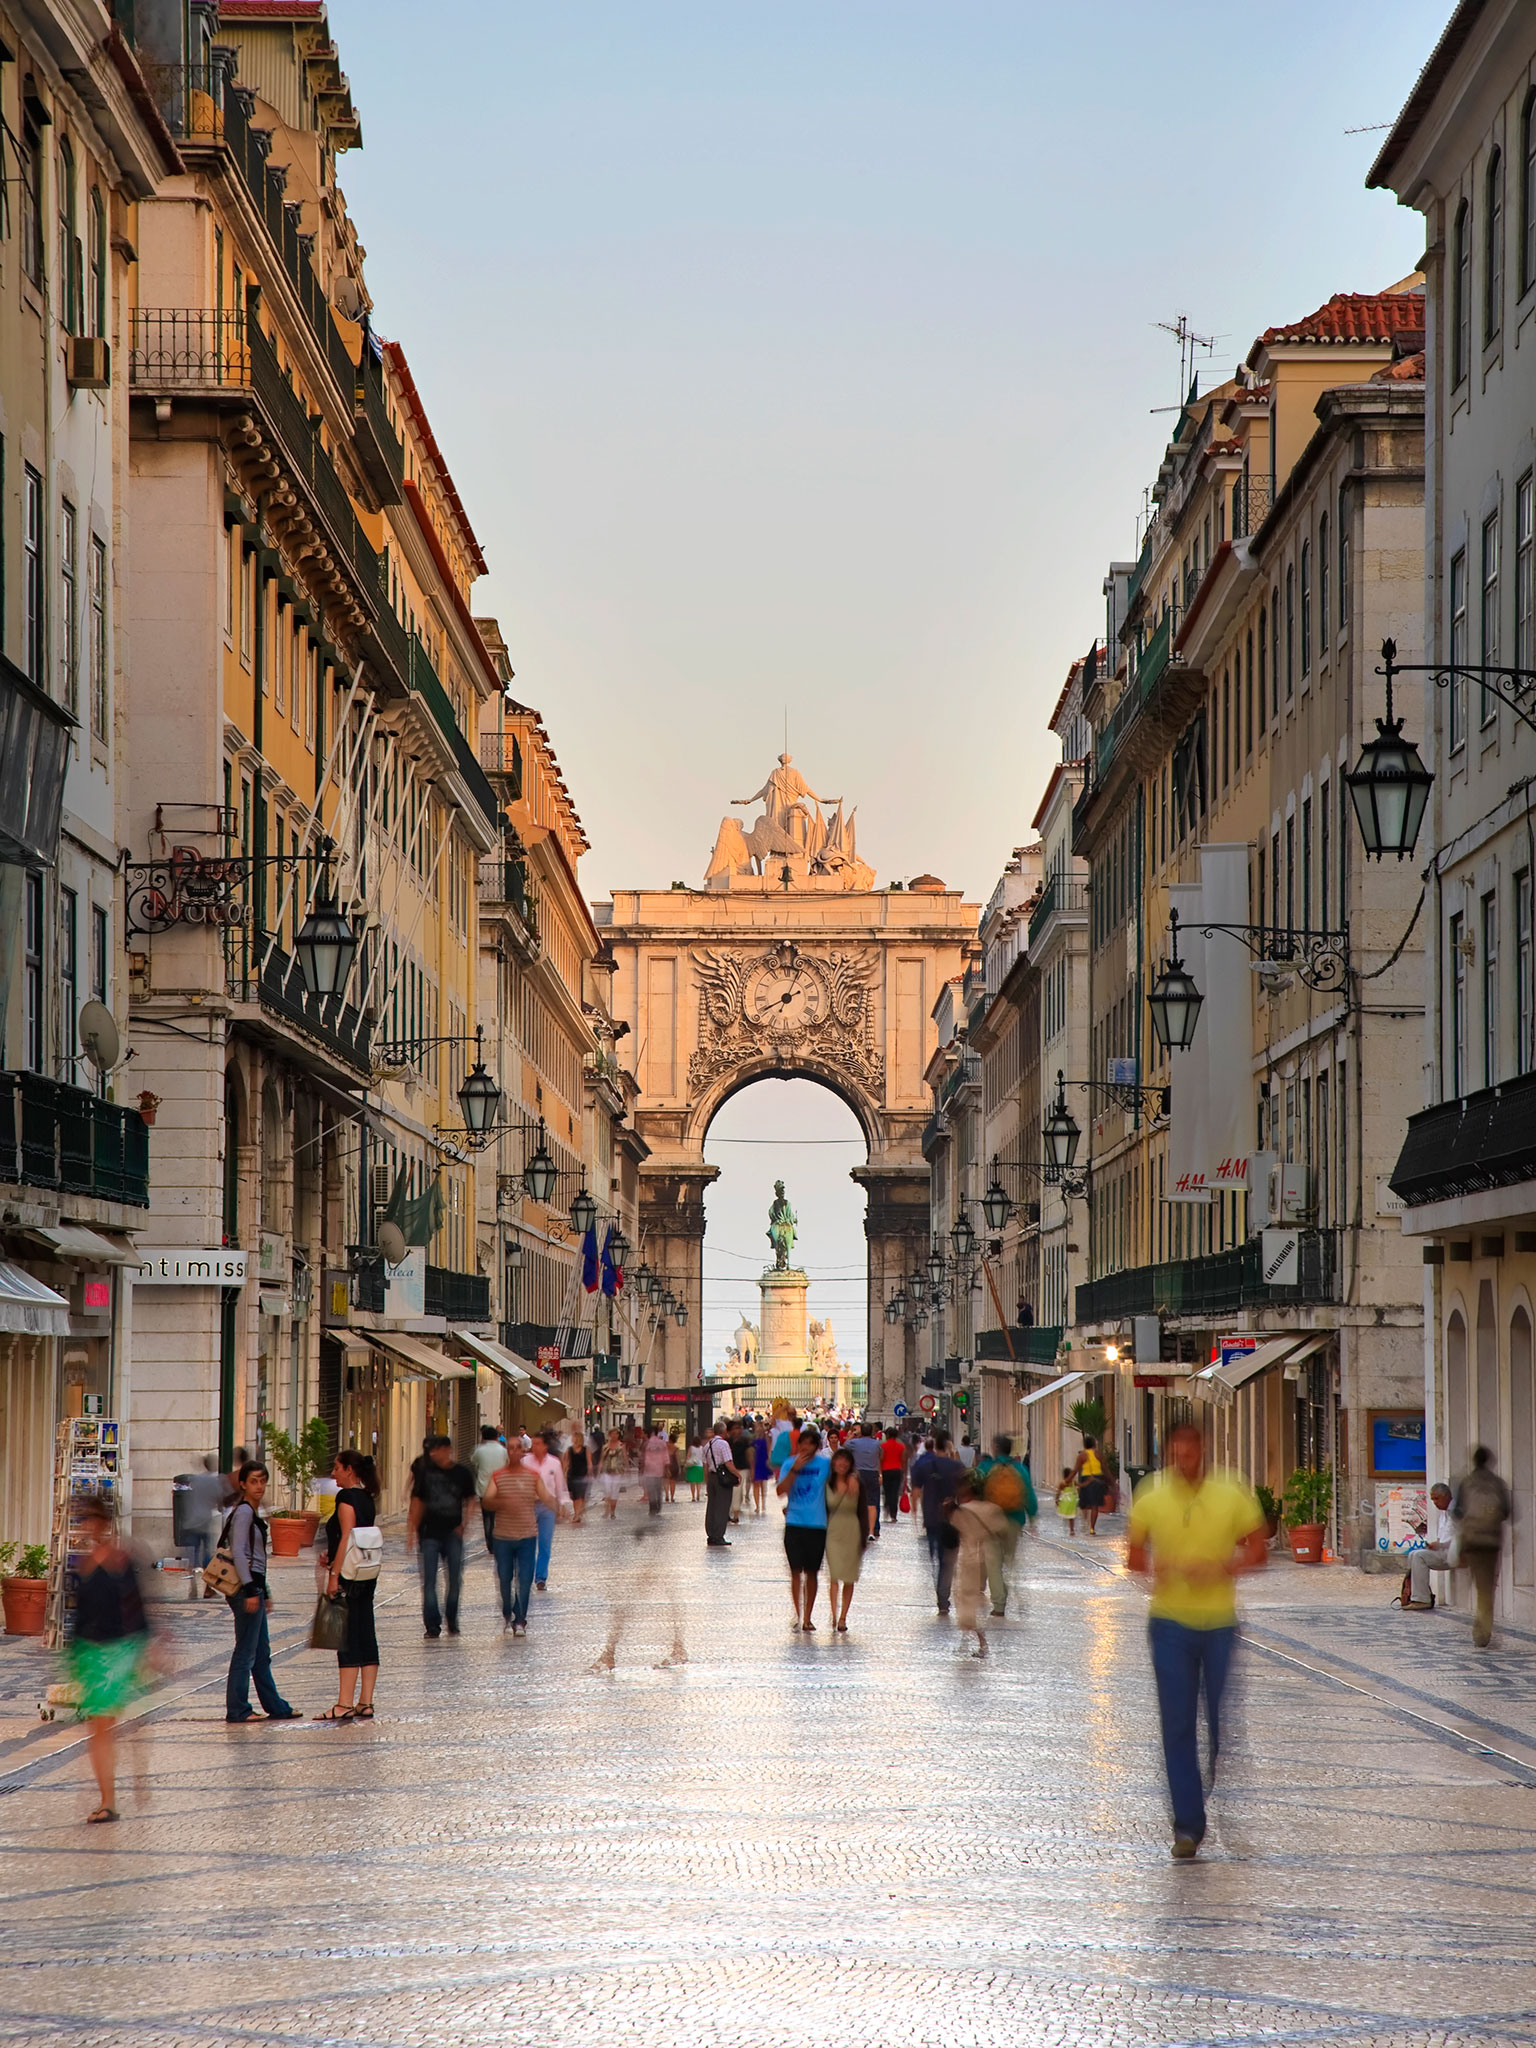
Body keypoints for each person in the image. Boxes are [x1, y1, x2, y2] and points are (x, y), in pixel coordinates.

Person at [1126, 1420, 1267, 1859]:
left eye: (1191, 1448)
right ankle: (1188, 1826)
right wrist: (1156, 1568)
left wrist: (1225, 1567)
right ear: (1169, 1450)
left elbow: (1260, 1549)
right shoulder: (1150, 1493)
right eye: (1176, 1449)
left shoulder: (1232, 1490)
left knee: (1219, 1725)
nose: (1184, 1456)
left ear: (1203, 1448)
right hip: (1169, 1624)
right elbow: (1133, 1556)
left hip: (1221, 1624)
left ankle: (1207, 1789)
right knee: (1178, 1725)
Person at [67, 1495, 156, 1820]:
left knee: (116, 1722)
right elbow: (78, 1617)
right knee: (100, 1726)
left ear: (104, 1522)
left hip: (122, 1651)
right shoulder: (81, 1565)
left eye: (91, 1518)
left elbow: (137, 1608)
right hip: (91, 1654)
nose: (87, 1526)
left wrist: (147, 1649)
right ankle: (107, 1801)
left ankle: (136, 1779)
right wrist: (73, 1656)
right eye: (82, 1520)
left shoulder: (121, 1560)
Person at [223, 1460, 301, 1725]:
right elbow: (239, 1552)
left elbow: (256, 1558)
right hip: (246, 1588)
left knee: (260, 1651)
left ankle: (276, 1706)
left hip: (255, 1584)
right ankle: (238, 1709)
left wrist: (263, 1590)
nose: (259, 1486)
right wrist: (251, 1589)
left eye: (262, 1481)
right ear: (243, 1484)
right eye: (253, 1481)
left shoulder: (252, 1512)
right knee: (246, 1651)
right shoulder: (244, 1512)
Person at [318, 1449, 381, 1722]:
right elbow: (360, 1537)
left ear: (349, 1471)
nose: (333, 1474)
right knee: (366, 1632)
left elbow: (346, 1537)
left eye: (337, 1468)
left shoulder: (346, 1497)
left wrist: (334, 1575)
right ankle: (365, 1701)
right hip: (366, 1573)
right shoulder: (368, 1498)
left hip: (347, 1575)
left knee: (344, 1637)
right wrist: (331, 1556)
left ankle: (343, 1703)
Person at [407, 1434, 474, 1639]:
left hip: (453, 1533)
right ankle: (432, 1625)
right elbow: (417, 1502)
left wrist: (465, 1523)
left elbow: (471, 1499)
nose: (433, 1453)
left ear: (447, 1449)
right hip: (428, 1534)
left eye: (437, 1449)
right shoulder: (425, 1473)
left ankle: (452, 1619)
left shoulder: (462, 1473)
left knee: (455, 1580)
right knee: (429, 1581)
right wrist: (411, 1531)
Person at [484, 1450, 552, 1635]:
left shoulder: (532, 1476)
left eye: (516, 1448)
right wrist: (502, 1502)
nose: (514, 1452)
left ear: (521, 1451)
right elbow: (488, 1500)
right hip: (503, 1536)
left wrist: (558, 1508)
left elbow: (545, 1496)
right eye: (510, 1448)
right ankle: (508, 1612)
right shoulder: (498, 1476)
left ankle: (520, 1620)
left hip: (527, 1535)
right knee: (505, 1579)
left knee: (524, 1579)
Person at [1452, 1446, 1513, 1648]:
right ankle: (1483, 1629)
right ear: (1489, 1461)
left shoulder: (1466, 1483)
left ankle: (1479, 1622)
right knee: (1486, 1589)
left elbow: (1458, 1512)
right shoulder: (1498, 1484)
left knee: (1477, 1585)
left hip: (1472, 1542)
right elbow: (1506, 1512)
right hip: (1491, 1542)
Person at [975, 1434, 1038, 1617]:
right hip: (1014, 1520)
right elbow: (1029, 1494)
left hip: (990, 1520)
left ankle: (999, 1604)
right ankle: (1005, 1591)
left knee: (992, 1562)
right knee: (1007, 1560)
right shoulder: (1020, 1469)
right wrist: (1033, 1518)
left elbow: (975, 1490)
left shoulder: (986, 1467)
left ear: (995, 1448)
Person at [776, 1426, 831, 1630]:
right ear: (798, 1445)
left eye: (810, 1444)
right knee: (795, 1571)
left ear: (816, 1447)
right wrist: (795, 1469)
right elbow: (781, 1491)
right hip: (794, 1522)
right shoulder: (789, 1463)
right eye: (803, 1443)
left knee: (812, 1572)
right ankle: (798, 1614)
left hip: (817, 1524)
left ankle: (808, 1616)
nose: (806, 1447)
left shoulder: (825, 1464)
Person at [951, 1474, 1010, 1657]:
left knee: (966, 1602)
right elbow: (1003, 1530)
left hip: (969, 1560)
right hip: (987, 1556)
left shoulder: (963, 1511)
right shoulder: (992, 1509)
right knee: (970, 1600)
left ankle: (982, 1643)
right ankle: (972, 1640)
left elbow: (954, 1534)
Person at [909, 1431, 963, 1614]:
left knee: (935, 1558)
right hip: (952, 1520)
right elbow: (965, 1494)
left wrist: (915, 1513)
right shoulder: (957, 1466)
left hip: (931, 1518)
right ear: (948, 1446)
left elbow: (915, 1491)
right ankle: (943, 1598)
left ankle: (940, 1593)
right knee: (947, 1561)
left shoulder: (924, 1465)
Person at [823, 1445, 865, 1632]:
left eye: (846, 1461)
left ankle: (843, 1617)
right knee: (833, 1575)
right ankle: (833, 1613)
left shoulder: (857, 1483)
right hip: (832, 1531)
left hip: (852, 1530)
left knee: (849, 1577)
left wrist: (865, 1535)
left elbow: (864, 1509)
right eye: (839, 1460)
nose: (842, 1464)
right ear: (833, 1463)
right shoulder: (827, 1482)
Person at [523, 1429, 570, 1588]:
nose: (534, 1447)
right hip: (528, 1506)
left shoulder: (554, 1463)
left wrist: (562, 1504)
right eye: (533, 1444)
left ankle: (541, 1577)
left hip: (547, 1507)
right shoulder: (525, 1462)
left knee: (544, 1542)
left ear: (544, 1446)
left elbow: (560, 1485)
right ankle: (527, 1574)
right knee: (528, 1543)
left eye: (537, 1444)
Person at [1404, 1483, 1455, 1610]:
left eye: (1437, 1499)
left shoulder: (1456, 1512)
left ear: (1446, 1496)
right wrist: (1434, 1545)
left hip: (1454, 1552)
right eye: (1433, 1500)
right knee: (1413, 1554)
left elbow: (1460, 1537)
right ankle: (1419, 1594)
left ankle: (1422, 1599)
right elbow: (1442, 1536)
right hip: (1444, 1550)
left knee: (1419, 1556)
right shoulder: (1444, 1513)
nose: (1435, 1503)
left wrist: (1441, 1544)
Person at [182, 1454, 224, 1596]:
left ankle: (192, 1585)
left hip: (192, 1520)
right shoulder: (214, 1482)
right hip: (205, 1521)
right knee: (207, 1554)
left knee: (193, 1554)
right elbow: (219, 1499)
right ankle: (208, 1588)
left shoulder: (196, 1480)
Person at [471, 1426, 508, 1553]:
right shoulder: (503, 1450)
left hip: (484, 1488)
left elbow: (474, 1462)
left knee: (487, 1518)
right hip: (500, 1488)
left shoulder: (479, 1450)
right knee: (500, 1516)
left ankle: (490, 1544)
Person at [703, 1418, 737, 1546]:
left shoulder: (707, 1445)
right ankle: (718, 1535)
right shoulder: (723, 1444)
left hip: (711, 1477)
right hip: (722, 1478)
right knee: (722, 1507)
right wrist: (737, 1474)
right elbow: (728, 1463)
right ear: (724, 1431)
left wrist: (707, 1482)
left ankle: (710, 1533)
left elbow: (705, 1466)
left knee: (711, 1506)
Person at [849, 1422, 882, 1539]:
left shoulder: (853, 1443)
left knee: (856, 1502)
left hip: (858, 1474)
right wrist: (880, 1474)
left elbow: (843, 1447)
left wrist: (852, 1434)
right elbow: (880, 1458)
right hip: (872, 1473)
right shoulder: (877, 1444)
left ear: (861, 1431)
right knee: (872, 1503)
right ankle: (871, 1531)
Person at [1071, 1435, 1108, 1534]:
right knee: (1095, 1505)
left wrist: (1068, 1479)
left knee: (1084, 1504)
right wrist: (1110, 1481)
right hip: (1097, 1479)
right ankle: (1092, 1528)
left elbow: (1076, 1469)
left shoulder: (1082, 1455)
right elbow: (1105, 1469)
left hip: (1086, 1478)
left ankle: (1085, 1522)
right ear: (1094, 1444)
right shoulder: (1098, 1455)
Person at [879, 1427, 907, 1526]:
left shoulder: (883, 1445)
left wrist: (880, 1473)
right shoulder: (901, 1446)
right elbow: (903, 1460)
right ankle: (893, 1514)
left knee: (887, 1491)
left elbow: (881, 1459)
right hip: (897, 1471)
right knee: (894, 1492)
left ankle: (887, 1507)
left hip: (886, 1471)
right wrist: (904, 1472)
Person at [640, 1425, 670, 1516]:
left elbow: (643, 1457)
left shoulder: (646, 1444)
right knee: (658, 1489)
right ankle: (658, 1506)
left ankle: (652, 1507)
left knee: (651, 1490)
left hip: (649, 1470)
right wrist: (667, 1468)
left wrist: (642, 1468)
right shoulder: (662, 1443)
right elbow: (666, 1456)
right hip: (659, 1470)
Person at [599, 1428, 628, 1518]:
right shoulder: (605, 1446)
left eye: (616, 1434)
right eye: (613, 1434)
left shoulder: (621, 1445)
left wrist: (627, 1468)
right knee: (607, 1491)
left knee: (614, 1492)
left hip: (617, 1471)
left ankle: (612, 1512)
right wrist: (598, 1470)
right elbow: (601, 1459)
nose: (615, 1436)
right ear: (610, 1434)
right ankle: (607, 1509)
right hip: (606, 1471)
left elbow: (625, 1457)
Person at [729, 1419, 753, 1524]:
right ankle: (733, 1511)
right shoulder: (728, 1441)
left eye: (738, 1428)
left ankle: (735, 1514)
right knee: (735, 1492)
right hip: (731, 1468)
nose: (737, 1430)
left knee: (737, 1491)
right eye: (735, 1428)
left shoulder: (744, 1441)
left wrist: (751, 1468)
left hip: (742, 1468)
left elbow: (749, 1454)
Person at [565, 1429, 590, 1525]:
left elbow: (589, 1462)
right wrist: (563, 1473)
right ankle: (577, 1513)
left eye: (574, 1437)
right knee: (574, 1497)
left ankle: (577, 1515)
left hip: (582, 1475)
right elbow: (566, 1462)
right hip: (572, 1475)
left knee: (580, 1495)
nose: (572, 1439)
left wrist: (590, 1473)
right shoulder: (569, 1450)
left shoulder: (586, 1449)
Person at [1055, 1468, 1079, 1536]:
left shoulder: (1062, 1483)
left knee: (1066, 1514)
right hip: (1072, 1501)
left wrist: (1056, 1499)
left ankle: (1065, 1529)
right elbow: (1078, 1489)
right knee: (1072, 1516)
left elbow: (1058, 1492)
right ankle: (1072, 1530)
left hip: (1065, 1501)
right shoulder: (1073, 1482)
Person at [685, 1436, 705, 1503]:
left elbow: (688, 1456)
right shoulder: (702, 1448)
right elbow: (703, 1457)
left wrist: (686, 1463)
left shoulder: (691, 1448)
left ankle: (693, 1496)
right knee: (699, 1482)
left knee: (692, 1483)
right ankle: (698, 1493)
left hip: (692, 1466)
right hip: (700, 1466)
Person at [664, 1430, 681, 1505]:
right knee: (673, 1482)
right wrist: (679, 1467)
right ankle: (672, 1497)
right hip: (674, 1466)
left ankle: (666, 1495)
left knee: (666, 1481)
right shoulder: (676, 1449)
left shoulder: (665, 1446)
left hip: (666, 1465)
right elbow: (678, 1459)